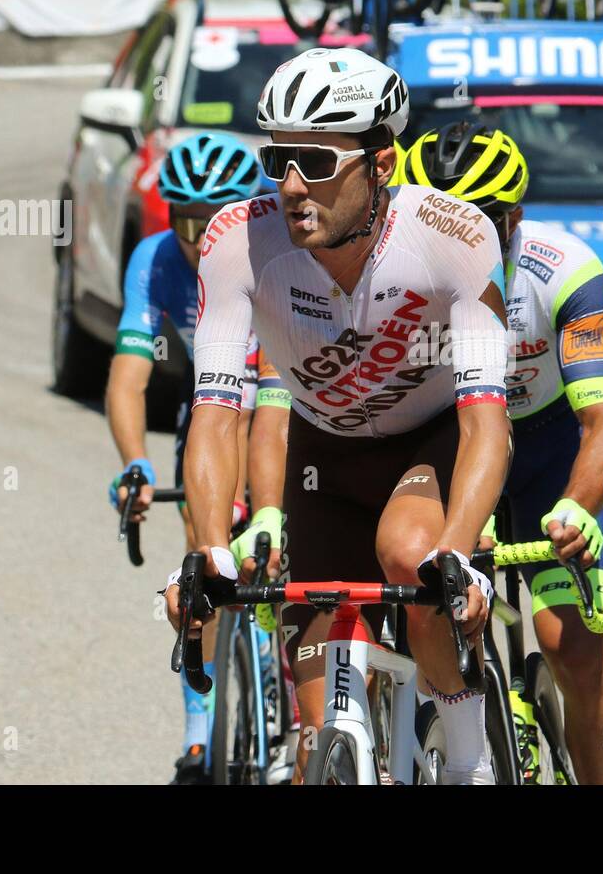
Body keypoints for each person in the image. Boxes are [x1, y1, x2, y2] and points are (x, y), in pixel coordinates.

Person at [162, 46, 512, 784]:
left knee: (411, 558)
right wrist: (209, 548)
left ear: (382, 161)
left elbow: (487, 422)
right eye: (279, 158)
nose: (292, 186)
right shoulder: (237, 243)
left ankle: (469, 757)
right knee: (320, 728)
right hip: (321, 460)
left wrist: (458, 552)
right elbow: (217, 414)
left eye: (316, 162)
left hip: (430, 441)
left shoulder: (456, 237)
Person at [399, 121, 603, 784]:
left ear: (515, 219)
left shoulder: (564, 269)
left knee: (570, 647)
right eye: (439, 228)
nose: (460, 246)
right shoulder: (394, 283)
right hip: (457, 445)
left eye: (480, 225)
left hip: (550, 454)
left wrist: (578, 508)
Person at [106, 130, 269, 783]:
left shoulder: (273, 253)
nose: (200, 238)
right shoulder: (154, 258)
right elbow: (128, 373)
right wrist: (134, 463)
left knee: (278, 551)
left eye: (215, 220)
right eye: (185, 220)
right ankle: (200, 734)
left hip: (279, 404)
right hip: (211, 406)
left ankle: (283, 675)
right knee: (200, 564)